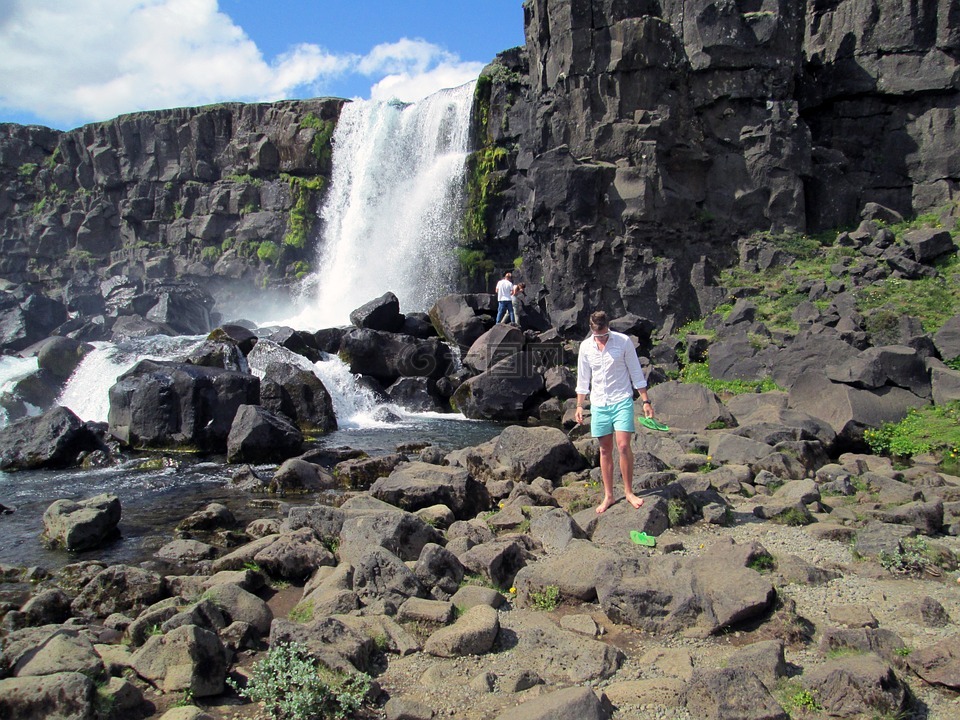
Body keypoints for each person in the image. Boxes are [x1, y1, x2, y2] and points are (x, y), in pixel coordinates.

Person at [574, 310, 654, 513]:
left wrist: (645, 400)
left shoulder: (623, 341)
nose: (600, 338)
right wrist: (579, 406)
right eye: (596, 335)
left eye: (603, 334)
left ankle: (628, 491)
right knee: (604, 450)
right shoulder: (586, 347)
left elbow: (636, 371)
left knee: (624, 445)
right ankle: (608, 495)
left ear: (607, 327)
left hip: (622, 400)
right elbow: (583, 379)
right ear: (591, 330)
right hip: (599, 403)